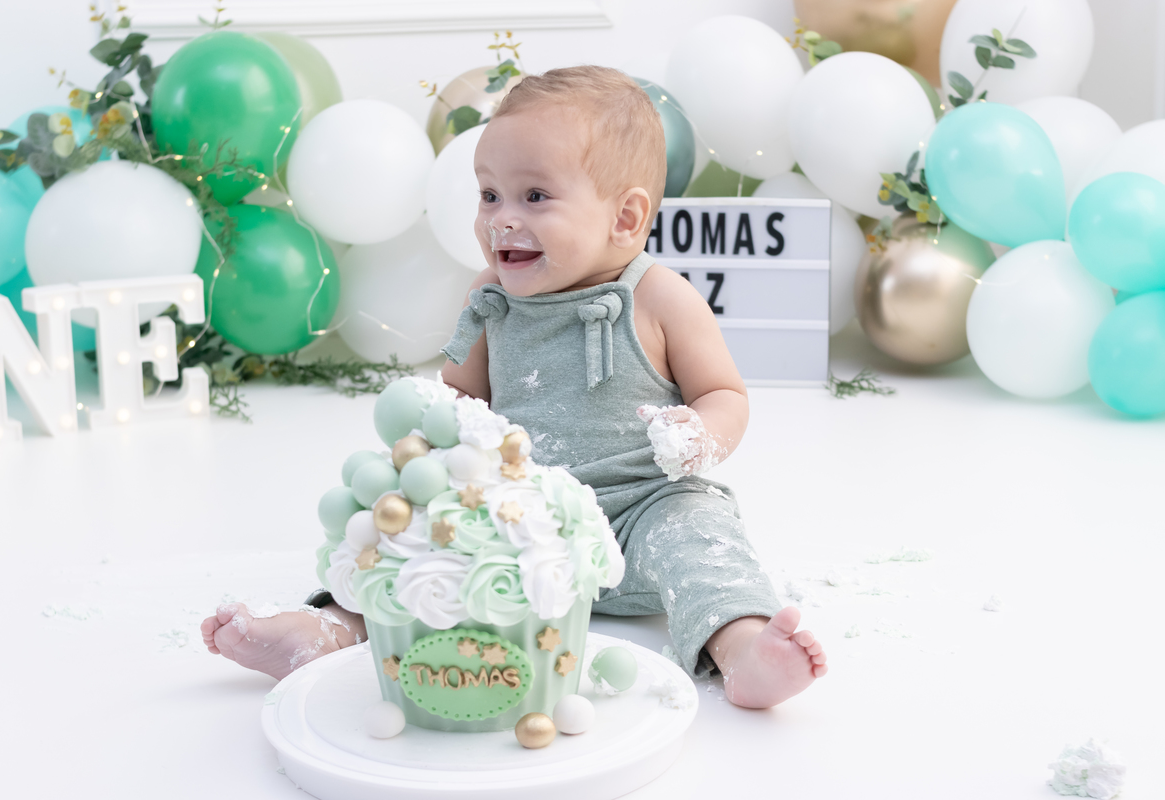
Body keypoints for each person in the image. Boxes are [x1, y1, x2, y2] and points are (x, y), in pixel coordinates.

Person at [202, 66, 826, 709]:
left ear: (626, 215)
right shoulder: (488, 299)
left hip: (645, 510)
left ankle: (742, 646)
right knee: (414, 538)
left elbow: (725, 395)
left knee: (701, 539)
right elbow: (463, 405)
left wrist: (699, 435)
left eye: (534, 197)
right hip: (522, 525)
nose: (501, 220)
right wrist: (433, 454)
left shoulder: (660, 297)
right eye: (490, 195)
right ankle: (329, 627)